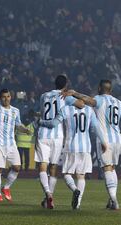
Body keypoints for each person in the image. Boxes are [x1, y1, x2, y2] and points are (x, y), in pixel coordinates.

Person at [62, 79, 121, 210]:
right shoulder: (119, 103)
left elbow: (88, 100)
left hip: (105, 139)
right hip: (117, 139)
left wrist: (74, 93)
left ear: (100, 88)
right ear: (110, 90)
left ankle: (114, 200)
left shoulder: (99, 99)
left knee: (106, 168)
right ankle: (111, 200)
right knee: (112, 168)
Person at [39, 104, 107, 209]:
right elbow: (96, 127)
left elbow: (54, 123)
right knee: (81, 176)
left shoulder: (66, 109)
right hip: (85, 148)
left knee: (67, 174)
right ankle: (77, 204)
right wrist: (103, 141)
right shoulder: (89, 110)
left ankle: (75, 190)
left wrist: (40, 121)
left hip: (71, 147)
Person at [35, 75, 84, 209]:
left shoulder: (44, 96)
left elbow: (43, 111)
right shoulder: (66, 97)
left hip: (43, 134)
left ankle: (48, 195)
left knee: (42, 167)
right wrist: (72, 93)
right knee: (53, 168)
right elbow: (81, 104)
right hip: (57, 136)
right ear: (66, 85)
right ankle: (49, 197)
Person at [0, 89, 31, 202]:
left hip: (11, 144)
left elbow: (18, 124)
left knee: (17, 167)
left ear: (10, 97)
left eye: (8, 96)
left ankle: (6, 187)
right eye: (3, 97)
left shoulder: (15, 111)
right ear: (0, 98)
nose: (6, 99)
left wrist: (25, 130)